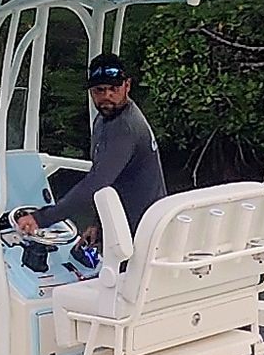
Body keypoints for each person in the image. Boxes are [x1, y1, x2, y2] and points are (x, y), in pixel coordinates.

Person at [17, 53, 166, 244]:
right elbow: (105, 174)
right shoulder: (104, 119)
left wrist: (40, 218)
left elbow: (96, 183)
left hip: (143, 233)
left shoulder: (125, 128)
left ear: (127, 85)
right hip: (122, 223)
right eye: (99, 90)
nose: (107, 96)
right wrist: (98, 224)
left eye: (114, 89)